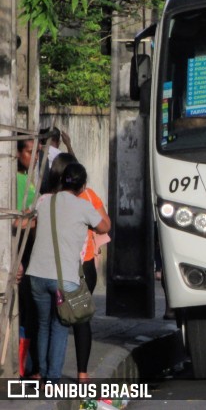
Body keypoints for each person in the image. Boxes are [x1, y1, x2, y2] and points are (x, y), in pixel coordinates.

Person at [26, 162, 110, 382]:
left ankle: (40, 373)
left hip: (36, 274)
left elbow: (30, 221)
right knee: (60, 325)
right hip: (64, 278)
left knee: (43, 324)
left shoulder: (44, 201)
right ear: (82, 186)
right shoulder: (83, 205)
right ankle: (53, 379)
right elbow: (104, 228)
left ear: (62, 181)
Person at [15, 137, 40, 378]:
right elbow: (17, 219)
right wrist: (33, 220)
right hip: (20, 251)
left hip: (32, 252)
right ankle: (23, 366)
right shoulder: (17, 180)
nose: (34, 157)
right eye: (30, 152)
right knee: (25, 310)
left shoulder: (30, 179)